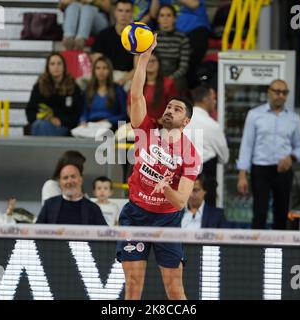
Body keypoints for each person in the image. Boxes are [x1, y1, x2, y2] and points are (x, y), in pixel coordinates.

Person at [116, 35, 201, 300]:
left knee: (175, 290)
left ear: (185, 121)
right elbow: (136, 94)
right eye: (168, 106)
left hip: (167, 220)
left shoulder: (191, 154)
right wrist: (144, 55)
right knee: (132, 286)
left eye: (176, 109)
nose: (169, 110)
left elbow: (180, 203)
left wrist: (165, 189)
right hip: (135, 214)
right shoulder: (147, 129)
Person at [237, 79, 300, 230]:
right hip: (260, 169)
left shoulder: (294, 118)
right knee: (259, 212)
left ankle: (279, 249)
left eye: (284, 92)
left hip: (283, 170)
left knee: (281, 213)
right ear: (269, 92)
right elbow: (246, 145)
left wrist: (291, 158)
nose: (280, 96)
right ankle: (256, 249)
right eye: (277, 91)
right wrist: (242, 175)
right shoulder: (254, 115)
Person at [185, 84, 229, 206]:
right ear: (206, 99)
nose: (215, 102)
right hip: (206, 175)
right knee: (207, 216)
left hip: (182, 175)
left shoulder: (182, 120)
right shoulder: (212, 125)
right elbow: (225, 157)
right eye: (213, 98)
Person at [26, 53, 84, 136]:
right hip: (42, 123)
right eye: (52, 64)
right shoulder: (39, 86)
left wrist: (61, 121)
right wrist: (46, 118)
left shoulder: (73, 87)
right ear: (48, 67)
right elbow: (30, 111)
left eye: (59, 63)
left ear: (64, 67)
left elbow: (77, 113)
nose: (56, 67)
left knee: (43, 127)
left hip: (64, 125)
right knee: (41, 125)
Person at [37, 160, 107, 225]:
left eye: (73, 177)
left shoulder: (93, 209)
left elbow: (105, 235)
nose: (69, 181)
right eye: (65, 178)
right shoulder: (49, 205)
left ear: (81, 180)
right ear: (60, 182)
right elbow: (36, 233)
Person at [91, 0, 134, 88]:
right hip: (107, 74)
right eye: (120, 10)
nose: (123, 14)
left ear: (132, 14)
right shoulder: (103, 35)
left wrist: (123, 80)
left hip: (127, 77)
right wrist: (106, 78)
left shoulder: (137, 37)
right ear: (115, 12)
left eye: (127, 11)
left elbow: (138, 67)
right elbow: (97, 61)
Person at [77, 56, 127, 130]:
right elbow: (85, 112)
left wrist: (108, 121)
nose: (101, 71)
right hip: (91, 125)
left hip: (110, 125)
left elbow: (124, 116)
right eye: (98, 68)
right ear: (94, 71)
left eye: (105, 68)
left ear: (109, 70)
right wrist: (82, 121)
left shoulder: (118, 90)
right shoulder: (88, 90)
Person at [126, 52, 178, 123]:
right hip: (140, 124)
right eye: (147, 61)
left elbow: (174, 107)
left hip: (162, 125)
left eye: (153, 61)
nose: (150, 63)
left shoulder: (168, 83)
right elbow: (130, 106)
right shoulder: (136, 82)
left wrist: (161, 121)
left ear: (159, 63)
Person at [154, 4, 190, 92]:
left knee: (179, 83)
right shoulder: (152, 37)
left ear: (175, 18)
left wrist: (170, 78)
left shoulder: (182, 38)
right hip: (154, 75)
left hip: (175, 75)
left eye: (169, 15)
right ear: (158, 19)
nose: (165, 18)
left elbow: (184, 66)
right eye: (162, 15)